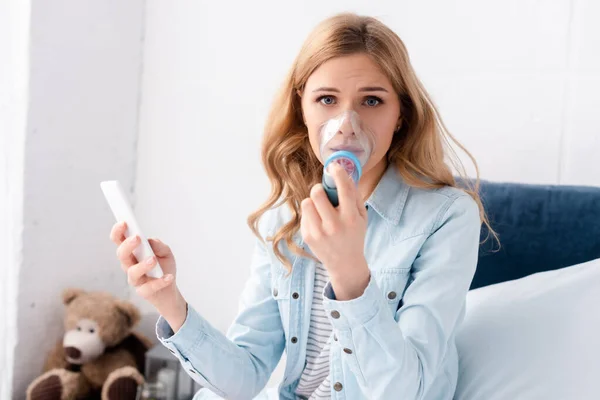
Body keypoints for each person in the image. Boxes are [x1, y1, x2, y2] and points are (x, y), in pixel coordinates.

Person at [110, 12, 497, 400]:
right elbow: (245, 378)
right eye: (327, 99)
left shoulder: (446, 217)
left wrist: (350, 277)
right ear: (302, 108)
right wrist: (170, 302)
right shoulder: (286, 219)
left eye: (372, 101)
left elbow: (404, 391)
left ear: (401, 115)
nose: (346, 124)